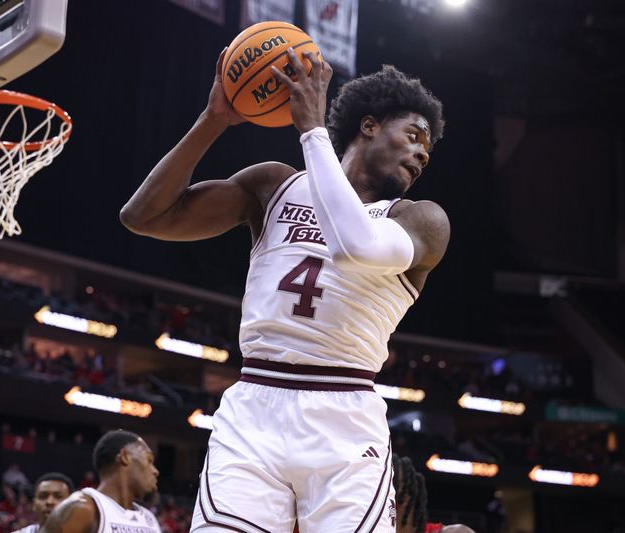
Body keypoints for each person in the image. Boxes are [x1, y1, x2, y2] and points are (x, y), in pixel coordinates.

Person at [121, 45, 449, 532]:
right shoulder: (274, 186)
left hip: (344, 416)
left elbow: (353, 247)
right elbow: (144, 216)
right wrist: (214, 119)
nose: (423, 153)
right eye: (415, 135)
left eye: (428, 148)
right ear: (370, 125)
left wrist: (312, 131)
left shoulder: (420, 220)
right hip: (255, 405)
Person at [41, 430, 160, 533]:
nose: (155, 471)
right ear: (125, 457)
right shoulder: (82, 508)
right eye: (149, 460)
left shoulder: (150, 520)